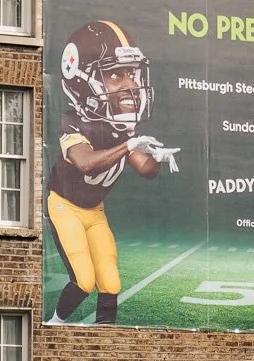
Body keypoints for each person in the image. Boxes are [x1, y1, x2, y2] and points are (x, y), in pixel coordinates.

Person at [46, 20, 179, 325]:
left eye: (131, 73)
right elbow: (85, 162)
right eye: (116, 74)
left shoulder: (121, 127)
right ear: (81, 80)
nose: (131, 84)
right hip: (65, 207)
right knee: (83, 279)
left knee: (111, 281)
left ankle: (105, 337)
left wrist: (156, 157)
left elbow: (145, 169)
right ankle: (55, 325)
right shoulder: (73, 122)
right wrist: (128, 145)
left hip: (95, 211)